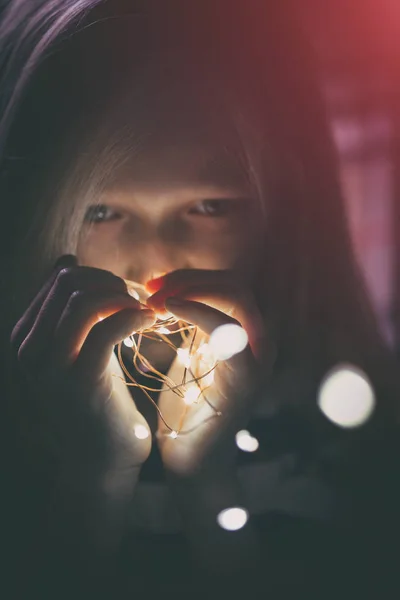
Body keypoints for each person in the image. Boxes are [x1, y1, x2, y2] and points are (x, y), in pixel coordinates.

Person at [1, 0, 399, 597]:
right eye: (101, 211)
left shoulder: (337, 427)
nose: (157, 260)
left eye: (209, 206)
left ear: (279, 204)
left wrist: (206, 479)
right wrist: (95, 477)